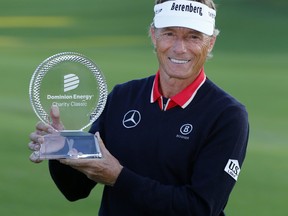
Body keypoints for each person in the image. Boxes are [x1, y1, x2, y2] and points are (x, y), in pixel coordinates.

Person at [28, 0, 249, 215]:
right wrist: (60, 148)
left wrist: (119, 177)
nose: (180, 48)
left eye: (193, 37)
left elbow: (201, 208)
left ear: (210, 43)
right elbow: (75, 189)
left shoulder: (227, 116)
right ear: (154, 35)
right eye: (169, 33)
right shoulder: (122, 97)